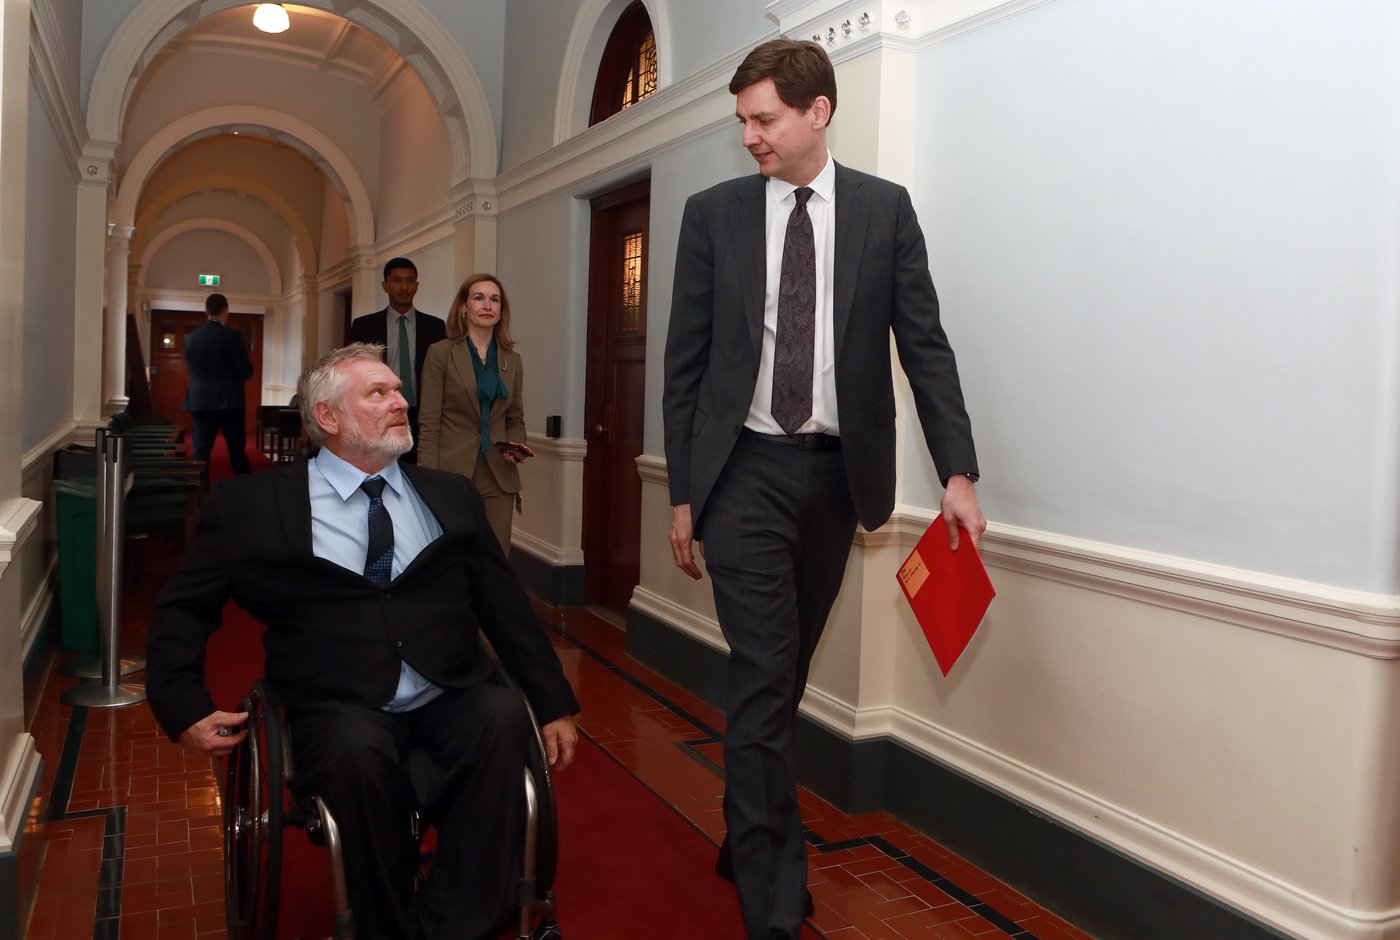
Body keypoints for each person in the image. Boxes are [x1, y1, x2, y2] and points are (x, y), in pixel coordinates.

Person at [662, 39, 986, 940]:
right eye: (743, 123)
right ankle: (773, 894)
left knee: (784, 667)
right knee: (765, 671)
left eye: (763, 120)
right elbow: (683, 364)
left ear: (818, 112)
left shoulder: (884, 212)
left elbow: (925, 345)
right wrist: (684, 492)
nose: (751, 139)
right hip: (741, 474)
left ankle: (745, 823)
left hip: (838, 479)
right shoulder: (712, 215)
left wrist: (957, 470)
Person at [147, 343, 579, 940]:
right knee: (356, 756)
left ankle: (456, 923)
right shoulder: (254, 505)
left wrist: (552, 702)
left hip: (449, 686)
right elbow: (182, 610)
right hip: (336, 698)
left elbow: (504, 607)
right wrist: (183, 705)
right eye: (379, 394)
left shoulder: (450, 494)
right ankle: (384, 922)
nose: (401, 402)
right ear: (328, 417)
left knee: (504, 719)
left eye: (398, 390)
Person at [417, 274, 529, 552]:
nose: (487, 305)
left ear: (501, 311)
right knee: (452, 555)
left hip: (499, 473)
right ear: (463, 307)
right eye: (478, 297)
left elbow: (515, 417)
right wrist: (428, 480)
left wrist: (516, 447)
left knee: (495, 557)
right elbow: (429, 422)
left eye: (494, 299)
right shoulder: (441, 353)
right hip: (452, 471)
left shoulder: (511, 360)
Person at [348, 257, 447, 462]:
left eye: (410, 281)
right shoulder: (364, 326)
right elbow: (353, 374)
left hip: (422, 419)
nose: (404, 286)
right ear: (385, 285)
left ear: (417, 286)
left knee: (418, 479)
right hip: (378, 414)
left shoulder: (435, 327)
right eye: (397, 280)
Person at [182, 292, 253, 474]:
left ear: (206, 311)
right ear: (225, 310)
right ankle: (244, 494)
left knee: (200, 452)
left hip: (200, 402)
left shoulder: (190, 339)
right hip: (229, 402)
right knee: (236, 451)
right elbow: (246, 371)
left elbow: (194, 368)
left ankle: (197, 496)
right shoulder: (231, 336)